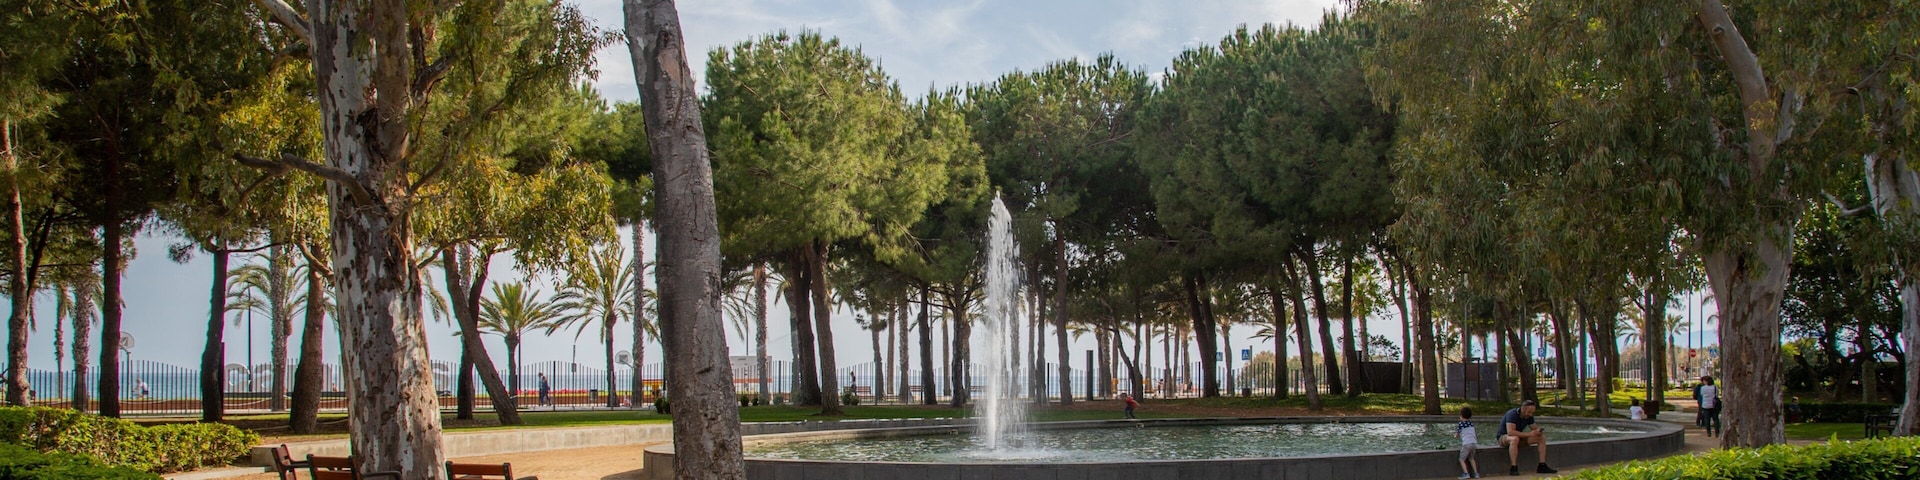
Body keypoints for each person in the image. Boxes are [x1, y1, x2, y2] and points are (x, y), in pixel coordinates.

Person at [1499, 400, 1555, 476]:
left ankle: (1542, 465)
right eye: (1529, 412)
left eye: (1532, 413)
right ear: (1523, 408)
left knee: (1541, 438)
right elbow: (1510, 432)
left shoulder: (1529, 417)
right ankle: (1514, 467)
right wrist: (1529, 434)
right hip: (1504, 438)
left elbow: (1534, 428)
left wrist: (1538, 431)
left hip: (1519, 438)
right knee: (1514, 439)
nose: (1530, 414)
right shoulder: (1512, 414)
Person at [1457, 407, 1481, 479]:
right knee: (1471, 458)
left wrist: (1455, 435)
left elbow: (1457, 434)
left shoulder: (1461, 424)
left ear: (1461, 416)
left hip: (1466, 444)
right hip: (1474, 443)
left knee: (1461, 459)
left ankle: (1466, 473)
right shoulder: (1471, 423)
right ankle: (1476, 473)